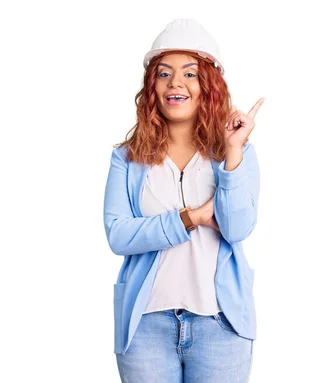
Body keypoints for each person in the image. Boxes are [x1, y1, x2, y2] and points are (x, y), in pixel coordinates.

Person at [102, 18, 263, 382]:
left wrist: (233, 152)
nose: (176, 83)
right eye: (164, 74)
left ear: (208, 86)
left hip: (220, 325)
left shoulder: (236, 154)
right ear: (152, 86)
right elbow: (119, 235)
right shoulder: (126, 159)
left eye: (190, 74)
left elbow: (237, 228)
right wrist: (192, 217)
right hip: (145, 327)